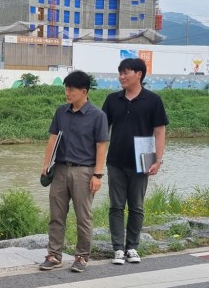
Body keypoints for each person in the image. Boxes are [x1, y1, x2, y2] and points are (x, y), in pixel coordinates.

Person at [40, 70, 109, 273]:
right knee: (56, 214)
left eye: (71, 90)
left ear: (84, 91)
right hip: (60, 169)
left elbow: (101, 146)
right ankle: (54, 255)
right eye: (66, 89)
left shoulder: (98, 115)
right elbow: (53, 138)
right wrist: (46, 164)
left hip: (84, 171)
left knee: (83, 216)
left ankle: (81, 256)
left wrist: (97, 175)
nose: (67, 93)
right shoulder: (61, 111)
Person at [102, 58, 168, 265]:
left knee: (136, 206)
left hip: (143, 160)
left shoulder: (153, 100)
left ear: (138, 74)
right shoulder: (112, 99)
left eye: (125, 72)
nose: (121, 77)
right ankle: (117, 248)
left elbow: (159, 131)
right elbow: (102, 131)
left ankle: (132, 247)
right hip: (115, 160)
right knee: (116, 206)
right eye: (120, 73)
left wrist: (158, 160)